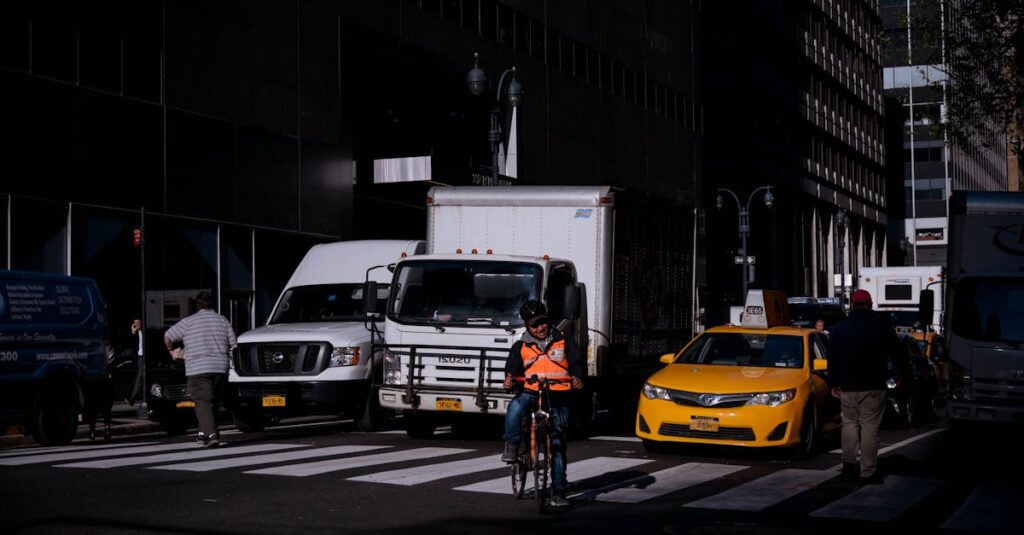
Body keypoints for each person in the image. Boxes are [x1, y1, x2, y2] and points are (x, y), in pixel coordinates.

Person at [501, 300, 584, 508]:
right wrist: (510, 378)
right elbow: (512, 366)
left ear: (548, 321)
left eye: (542, 323)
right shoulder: (520, 346)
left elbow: (575, 362)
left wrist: (576, 377)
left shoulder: (564, 341)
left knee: (557, 444)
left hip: (557, 395)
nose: (539, 328)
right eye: (534, 325)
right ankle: (512, 445)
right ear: (527, 327)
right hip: (531, 392)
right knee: (514, 408)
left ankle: (558, 491)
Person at [827, 289, 907, 484]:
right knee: (870, 427)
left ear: (852, 305)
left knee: (849, 424)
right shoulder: (882, 326)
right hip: (874, 385)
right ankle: (868, 470)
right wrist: (901, 375)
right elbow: (898, 354)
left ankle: (848, 465)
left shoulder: (839, 329)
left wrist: (834, 383)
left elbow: (833, 359)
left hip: (847, 385)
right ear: (870, 304)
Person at [164, 291, 237, 448]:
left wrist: (172, 351)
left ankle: (212, 435)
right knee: (212, 403)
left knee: (202, 402)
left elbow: (168, 336)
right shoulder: (223, 320)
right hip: (220, 367)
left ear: (197, 305)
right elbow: (233, 344)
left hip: (198, 367)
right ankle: (202, 434)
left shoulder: (189, 321)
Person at [128, 318, 145, 406]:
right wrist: (133, 332)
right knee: (141, 377)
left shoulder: (144, 330)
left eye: (138, 322)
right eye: (134, 323)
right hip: (139, 356)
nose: (136, 324)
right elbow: (133, 343)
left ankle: (132, 398)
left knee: (140, 377)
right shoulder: (137, 332)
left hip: (144, 356)